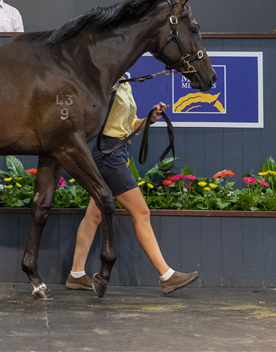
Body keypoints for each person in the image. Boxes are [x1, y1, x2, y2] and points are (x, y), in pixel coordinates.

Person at [66, 80, 199, 296]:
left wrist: (149, 119)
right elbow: (92, 117)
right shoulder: (105, 82)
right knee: (141, 212)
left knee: (93, 217)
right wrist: (106, 92)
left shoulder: (124, 83)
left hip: (116, 152)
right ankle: (166, 276)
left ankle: (76, 274)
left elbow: (126, 127)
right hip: (109, 154)